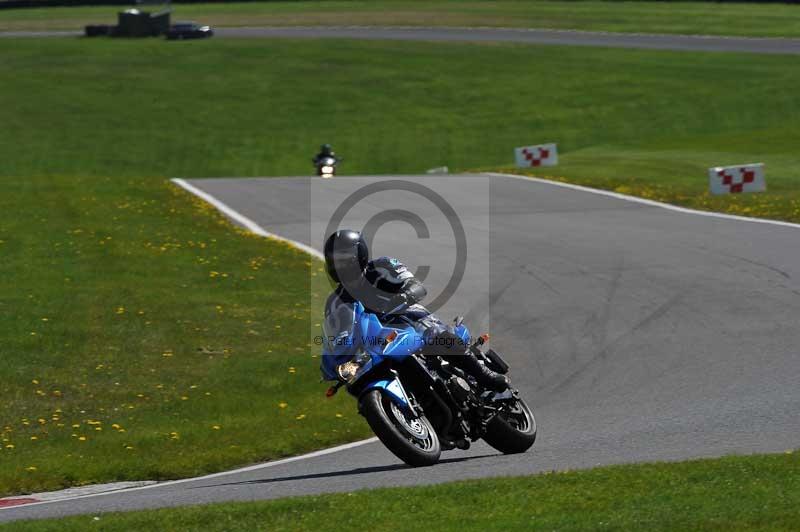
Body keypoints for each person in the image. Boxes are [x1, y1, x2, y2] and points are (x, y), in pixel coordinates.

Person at [320, 229, 508, 391]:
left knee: (434, 332)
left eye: (344, 259)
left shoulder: (382, 267)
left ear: (359, 255)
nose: (340, 265)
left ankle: (484, 374)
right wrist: (332, 359)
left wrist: (404, 295)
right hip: (381, 339)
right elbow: (337, 333)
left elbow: (415, 284)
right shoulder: (335, 302)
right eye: (335, 260)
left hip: (408, 317)